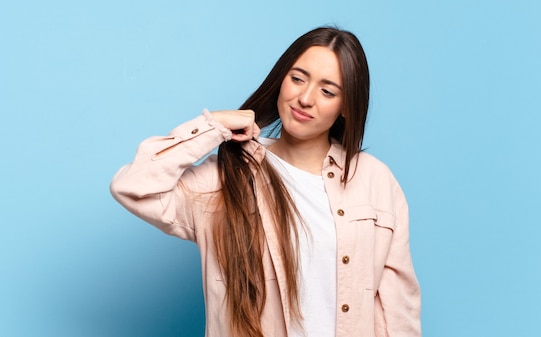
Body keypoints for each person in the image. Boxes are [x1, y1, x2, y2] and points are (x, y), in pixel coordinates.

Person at [110, 26, 421, 337]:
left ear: (346, 108)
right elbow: (134, 187)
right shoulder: (228, 175)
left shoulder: (375, 180)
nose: (305, 98)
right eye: (298, 79)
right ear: (280, 81)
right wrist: (213, 125)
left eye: (327, 91)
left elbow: (397, 311)